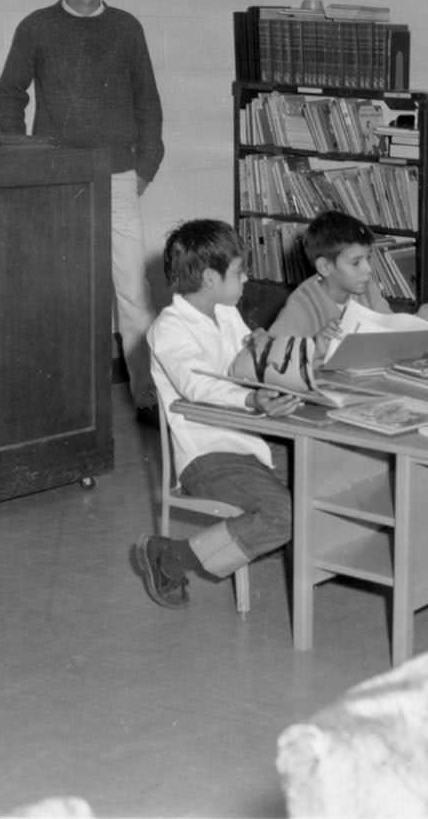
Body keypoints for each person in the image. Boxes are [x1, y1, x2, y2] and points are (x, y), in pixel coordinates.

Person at [0, 0, 164, 417]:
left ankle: (147, 396)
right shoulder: (35, 27)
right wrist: (22, 154)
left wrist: (146, 165)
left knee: (132, 289)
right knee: (58, 289)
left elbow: (148, 102)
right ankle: (56, 397)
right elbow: (10, 92)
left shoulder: (127, 28)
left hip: (117, 175)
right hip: (57, 178)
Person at [133, 219, 308, 608]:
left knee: (325, 474)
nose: (246, 278)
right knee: (286, 514)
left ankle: (252, 538)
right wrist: (251, 401)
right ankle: (171, 556)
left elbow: (242, 363)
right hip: (208, 456)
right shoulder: (169, 329)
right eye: (239, 270)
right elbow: (199, 386)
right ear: (211, 278)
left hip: (250, 441)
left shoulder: (226, 312)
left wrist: (263, 350)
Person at [266, 209, 428, 340]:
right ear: (325, 267)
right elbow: (271, 358)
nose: (368, 269)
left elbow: (396, 334)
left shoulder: (366, 291)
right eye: (356, 262)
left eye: (368, 258)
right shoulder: (302, 304)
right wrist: (317, 343)